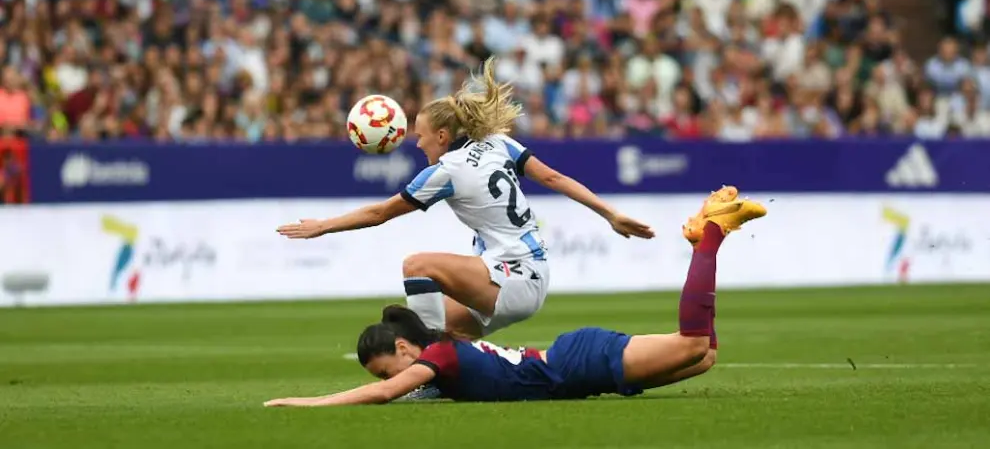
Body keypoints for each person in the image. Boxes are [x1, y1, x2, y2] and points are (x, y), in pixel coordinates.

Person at [263, 188, 766, 407]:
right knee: (707, 357)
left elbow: (383, 394)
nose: (389, 379)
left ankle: (711, 231)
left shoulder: (436, 357)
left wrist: (307, 401)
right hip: (569, 366)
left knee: (692, 344)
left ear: (402, 350)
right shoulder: (442, 349)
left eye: (384, 368)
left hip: (575, 364)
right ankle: (710, 237)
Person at [276, 56, 654, 342]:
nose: (418, 143)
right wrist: (609, 213)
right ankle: (450, 376)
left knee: (416, 266)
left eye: (422, 136)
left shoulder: (447, 170)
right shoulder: (499, 142)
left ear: (442, 136)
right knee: (446, 328)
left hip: (512, 277)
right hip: (532, 273)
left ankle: (423, 369)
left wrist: (322, 226)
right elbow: (553, 177)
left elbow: (380, 213)